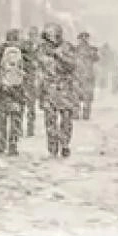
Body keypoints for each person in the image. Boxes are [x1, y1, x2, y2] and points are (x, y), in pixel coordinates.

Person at [38, 24, 79, 157]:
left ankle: (65, 143)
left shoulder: (68, 47)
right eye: (48, 35)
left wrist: (59, 56)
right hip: (48, 89)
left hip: (65, 89)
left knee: (66, 119)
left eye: (53, 34)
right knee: (50, 120)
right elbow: (39, 69)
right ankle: (52, 146)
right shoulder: (42, 49)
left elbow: (73, 65)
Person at [0, 29, 27, 155]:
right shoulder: (23, 49)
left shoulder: (0, 49)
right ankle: (13, 144)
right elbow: (30, 67)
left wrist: (1, 78)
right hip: (18, 88)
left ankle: (2, 143)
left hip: (4, 88)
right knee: (16, 117)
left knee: (3, 117)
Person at [74, 32, 100, 120]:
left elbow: (96, 59)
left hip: (86, 76)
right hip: (78, 76)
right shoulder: (75, 49)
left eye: (86, 38)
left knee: (86, 96)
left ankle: (84, 114)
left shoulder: (91, 50)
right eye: (82, 38)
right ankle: (78, 113)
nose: (84, 40)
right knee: (77, 95)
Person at [22, 27, 41, 137]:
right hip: (25, 78)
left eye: (35, 34)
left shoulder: (39, 47)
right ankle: (20, 127)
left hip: (33, 79)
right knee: (22, 105)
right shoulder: (24, 46)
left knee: (31, 106)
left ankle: (30, 127)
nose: (33, 36)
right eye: (32, 34)